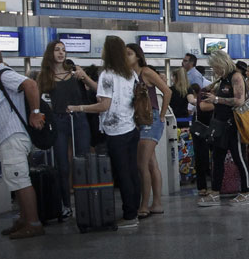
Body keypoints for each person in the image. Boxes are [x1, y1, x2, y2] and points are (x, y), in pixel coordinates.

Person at [0, 44, 45, 239]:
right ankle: (24, 219)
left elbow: (31, 85)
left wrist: (35, 113)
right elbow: (3, 106)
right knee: (15, 180)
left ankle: (33, 223)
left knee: (20, 179)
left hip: (13, 136)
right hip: (6, 137)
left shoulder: (2, 74)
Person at [69, 36, 140, 228]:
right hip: (131, 127)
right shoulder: (130, 74)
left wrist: (78, 108)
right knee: (132, 172)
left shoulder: (107, 75)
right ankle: (135, 210)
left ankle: (130, 216)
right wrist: (86, 79)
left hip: (116, 131)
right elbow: (111, 95)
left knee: (123, 174)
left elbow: (104, 105)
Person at [36, 41, 92, 221]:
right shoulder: (44, 76)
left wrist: (84, 77)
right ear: (50, 53)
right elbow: (37, 99)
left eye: (63, 50)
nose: (61, 53)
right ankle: (65, 205)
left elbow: (94, 89)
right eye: (57, 50)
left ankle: (85, 202)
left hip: (78, 117)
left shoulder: (75, 73)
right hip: (58, 119)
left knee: (83, 160)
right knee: (62, 163)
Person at [125, 44, 172, 219]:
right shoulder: (129, 75)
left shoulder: (145, 72)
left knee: (142, 164)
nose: (126, 57)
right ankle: (156, 203)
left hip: (150, 120)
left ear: (138, 56)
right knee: (151, 163)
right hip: (140, 121)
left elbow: (167, 91)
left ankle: (144, 204)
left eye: (129, 54)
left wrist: (162, 114)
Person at [198, 50, 249, 207]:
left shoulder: (236, 77)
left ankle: (246, 192)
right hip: (220, 124)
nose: (214, 70)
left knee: (239, 158)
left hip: (233, 124)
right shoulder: (222, 79)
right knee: (217, 158)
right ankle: (215, 192)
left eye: (215, 66)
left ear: (222, 63)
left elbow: (239, 101)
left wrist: (217, 99)